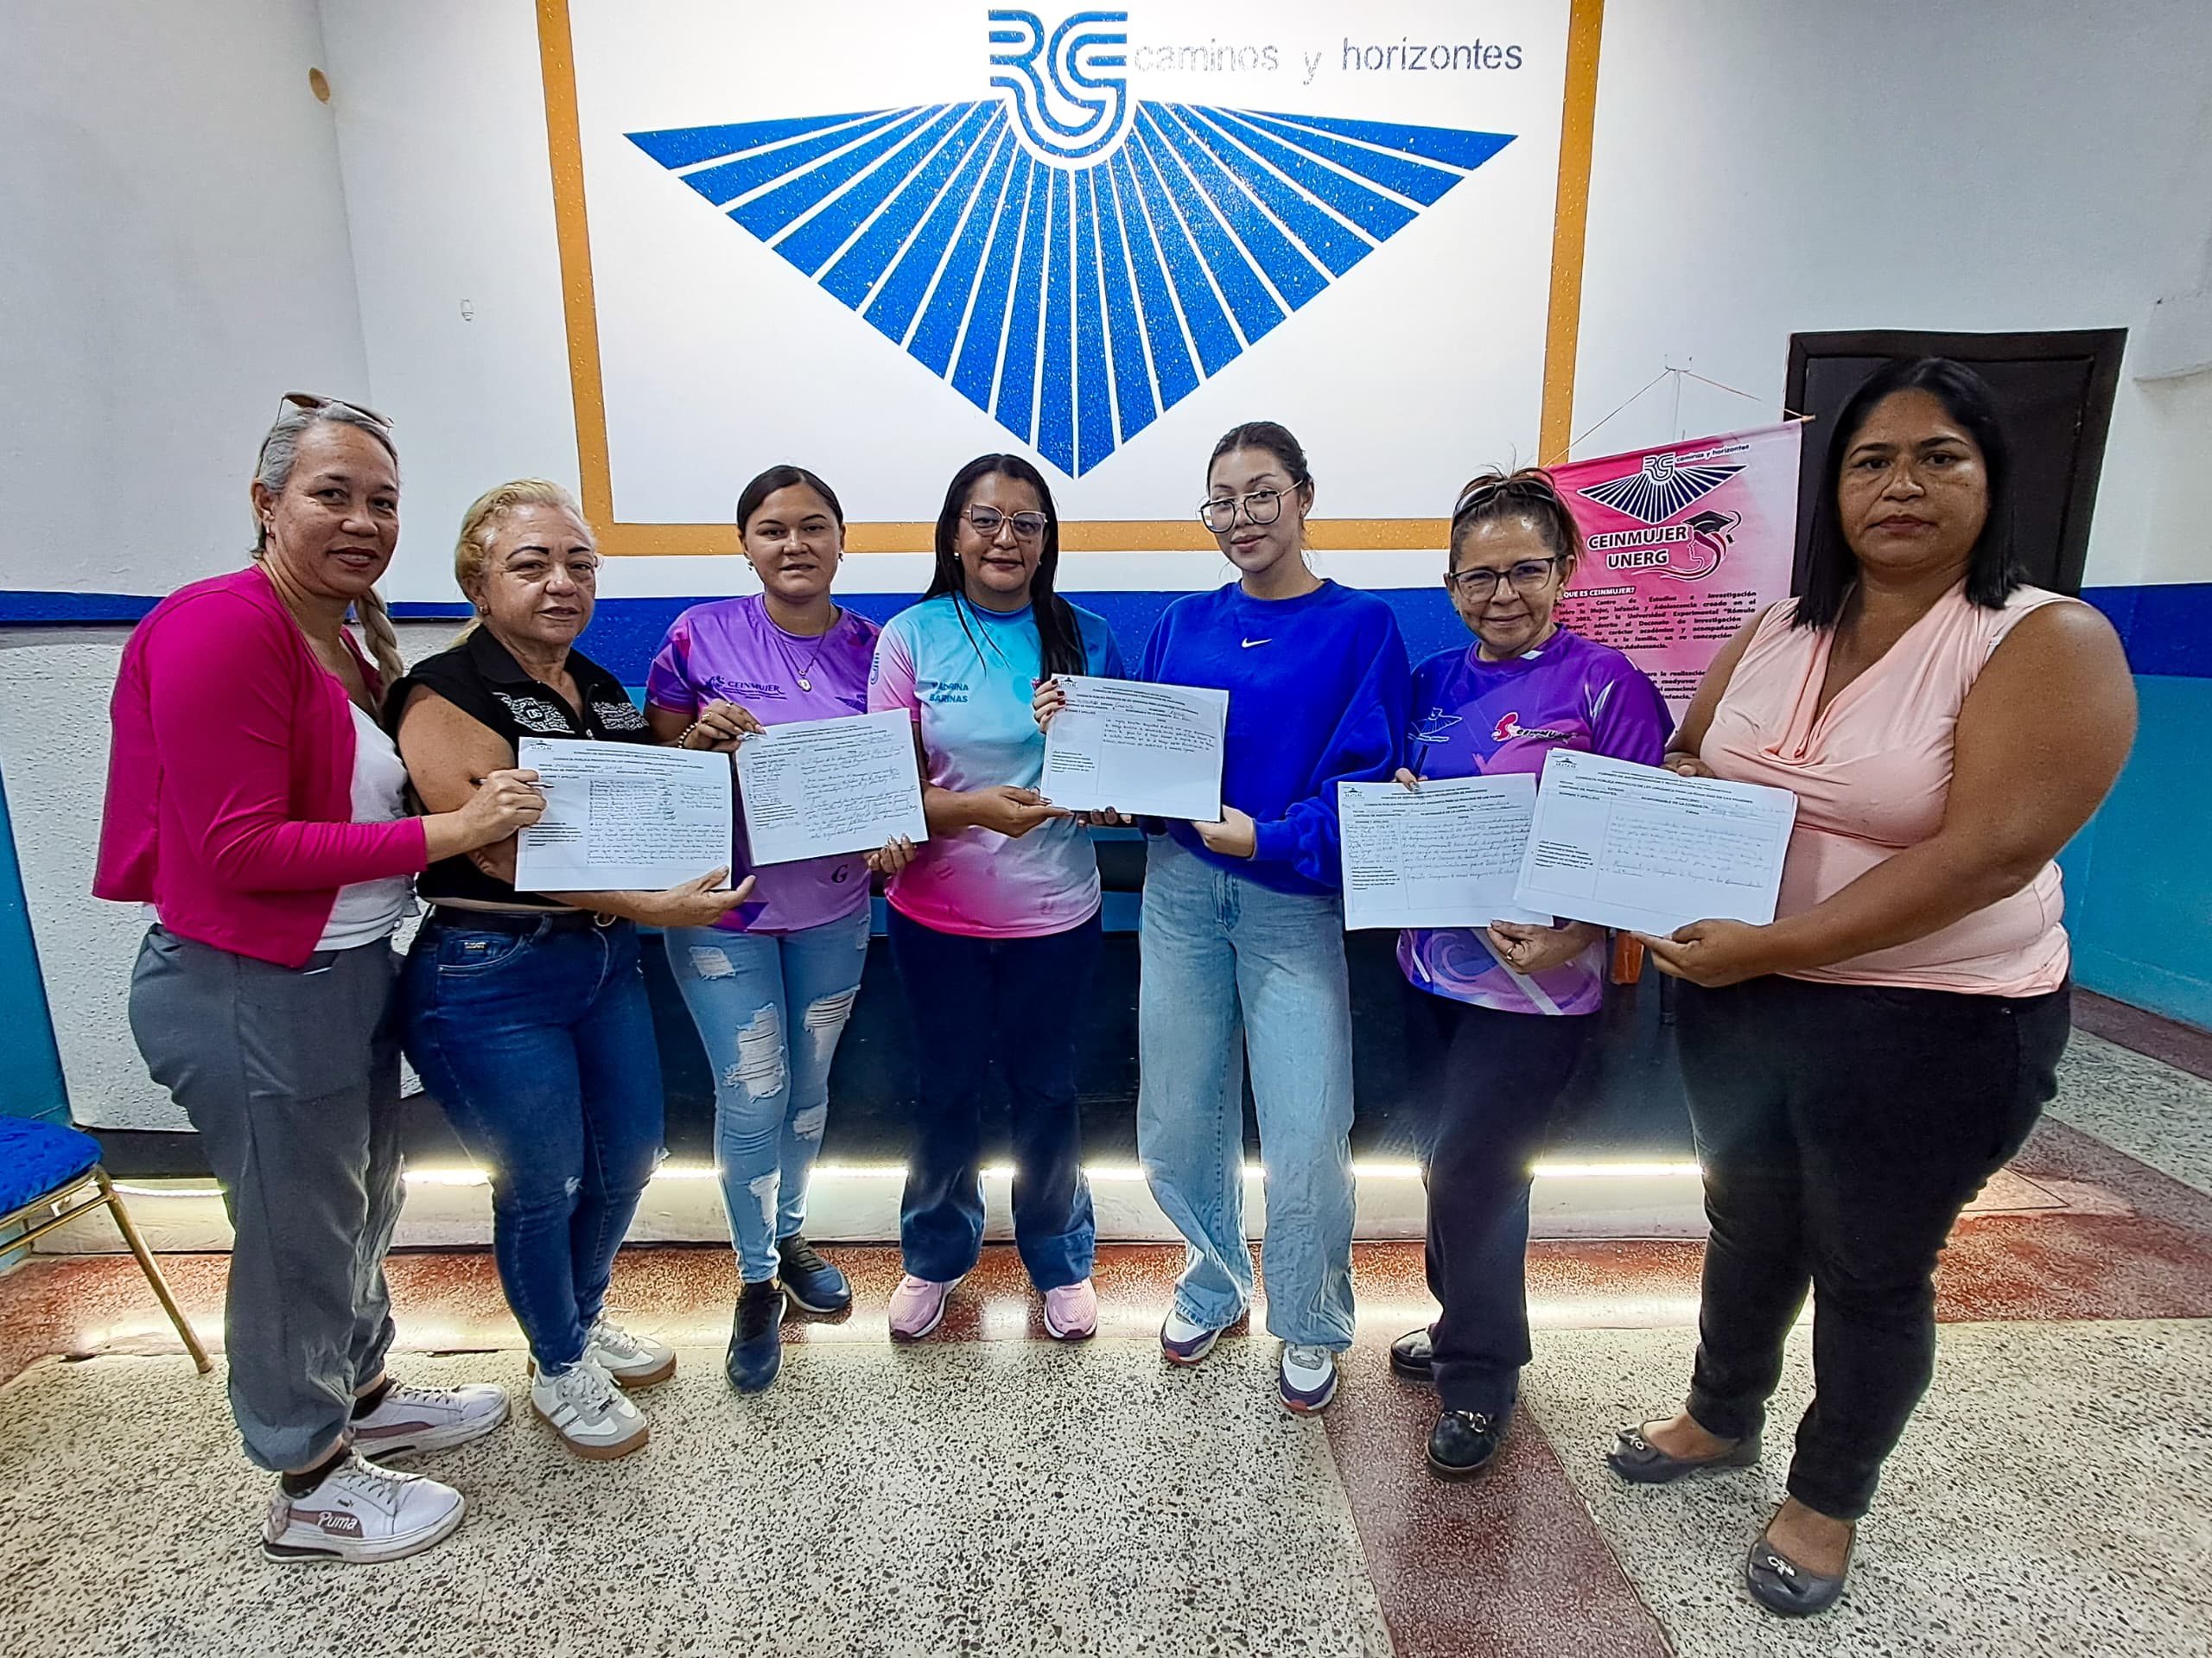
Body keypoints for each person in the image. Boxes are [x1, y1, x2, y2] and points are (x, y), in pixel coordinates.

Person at [1609, 359, 2135, 1616]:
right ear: (1833, 490)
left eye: (1938, 456)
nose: (1902, 483)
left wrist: (1773, 943)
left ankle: (1827, 1494)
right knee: (1748, 1217)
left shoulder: (2043, 639)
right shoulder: (1778, 627)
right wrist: (1661, 805)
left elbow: (1987, 852)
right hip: (1742, 997)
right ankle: (1719, 1412)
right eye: (1871, 460)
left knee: (1871, 1260)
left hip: (1936, 1017)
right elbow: (1691, 751)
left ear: (1991, 479)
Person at [100, 395, 549, 1564]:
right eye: (331, 494)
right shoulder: (218, 627)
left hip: (342, 966)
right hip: (249, 980)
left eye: (381, 501)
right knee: (294, 1232)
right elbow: (239, 847)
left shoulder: (340, 637)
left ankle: (359, 1389)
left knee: (359, 1199)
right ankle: (306, 1477)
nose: (362, 520)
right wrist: (452, 833)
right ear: (266, 502)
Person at [391, 480, 753, 1461]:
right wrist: (654, 906)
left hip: (600, 958)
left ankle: (580, 1320)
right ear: (477, 580)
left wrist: (697, 749)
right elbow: (500, 852)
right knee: (541, 1183)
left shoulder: (597, 687)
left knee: (628, 1157)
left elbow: (634, 809)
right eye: (533, 563)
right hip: (492, 970)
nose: (562, 581)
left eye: (579, 564)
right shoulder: (442, 690)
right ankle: (557, 1364)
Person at [1071, 419, 1408, 1413]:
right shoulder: (1182, 623)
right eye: (1222, 499)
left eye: (1261, 492)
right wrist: (1091, 761)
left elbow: (1368, 786)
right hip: (1179, 890)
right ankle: (1213, 1278)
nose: (1241, 516)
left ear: (1304, 496)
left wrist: (1267, 836)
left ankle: (1309, 1316)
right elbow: (1146, 766)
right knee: (1178, 1118)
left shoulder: (1362, 627)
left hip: (1289, 899)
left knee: (1306, 1131)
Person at [1380, 468, 1672, 1476]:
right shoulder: (1429, 682)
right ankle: (1460, 1321)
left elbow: (1643, 840)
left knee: (1481, 1169)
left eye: (1524, 570)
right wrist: (1399, 794)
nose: (1501, 594)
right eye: (1478, 576)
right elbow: (1398, 799)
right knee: (1442, 1163)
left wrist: (1577, 932)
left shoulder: (1607, 685)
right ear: (1451, 584)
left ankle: (1480, 1373)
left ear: (1564, 569)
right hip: (1429, 973)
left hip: (1540, 989)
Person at [646, 465, 911, 1394]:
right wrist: (694, 743)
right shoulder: (697, 635)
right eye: (771, 528)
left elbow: (897, 774)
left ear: (842, 539)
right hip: (724, 908)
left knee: (807, 1091)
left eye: (812, 526)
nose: (793, 544)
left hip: (834, 907)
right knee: (753, 1091)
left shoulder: (877, 647)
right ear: (745, 544)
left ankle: (789, 1234)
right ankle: (756, 1279)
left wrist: (893, 836)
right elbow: (656, 770)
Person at [868, 454, 1124, 1343]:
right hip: (932, 917)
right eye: (985, 519)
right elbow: (886, 792)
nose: (1004, 538)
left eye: (1026, 522)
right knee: (944, 1091)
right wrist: (974, 809)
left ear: (1047, 539)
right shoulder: (910, 636)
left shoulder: (1085, 635)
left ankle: (1060, 1256)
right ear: (954, 533)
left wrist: (1097, 777)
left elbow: (1118, 781)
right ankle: (935, 1252)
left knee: (1047, 1090)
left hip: (1055, 916)